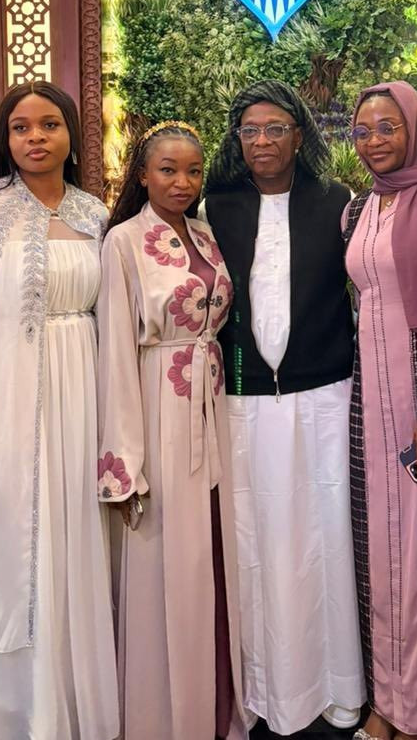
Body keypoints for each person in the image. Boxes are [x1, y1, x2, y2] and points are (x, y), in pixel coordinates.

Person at [0, 81, 119, 740]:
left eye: (49, 125)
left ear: (72, 134)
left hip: (82, 407)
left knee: (75, 557)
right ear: (5, 138)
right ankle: (10, 720)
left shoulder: (97, 215)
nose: (35, 137)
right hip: (2, 416)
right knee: (5, 561)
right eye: (20, 127)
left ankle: (71, 713)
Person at [203, 79, 365, 733]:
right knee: (254, 543)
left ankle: (336, 687)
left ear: (300, 135)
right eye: (250, 130)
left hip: (323, 397)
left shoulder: (337, 202)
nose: (263, 141)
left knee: (326, 541)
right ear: (237, 140)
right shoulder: (215, 206)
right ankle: (261, 692)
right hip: (242, 402)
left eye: (276, 129)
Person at [97, 121, 245, 740]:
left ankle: (213, 706)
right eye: (167, 170)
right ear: (142, 174)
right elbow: (115, 352)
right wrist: (124, 463)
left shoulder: (205, 233)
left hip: (210, 403)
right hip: (156, 404)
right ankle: (163, 717)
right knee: (167, 556)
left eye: (192, 170)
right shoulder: (123, 241)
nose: (182, 182)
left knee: (211, 552)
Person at [343, 81, 417, 740]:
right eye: (362, 131)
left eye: (387, 127)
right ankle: (385, 703)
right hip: (370, 399)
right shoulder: (359, 207)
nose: (374, 142)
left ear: (414, 127)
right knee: (378, 551)